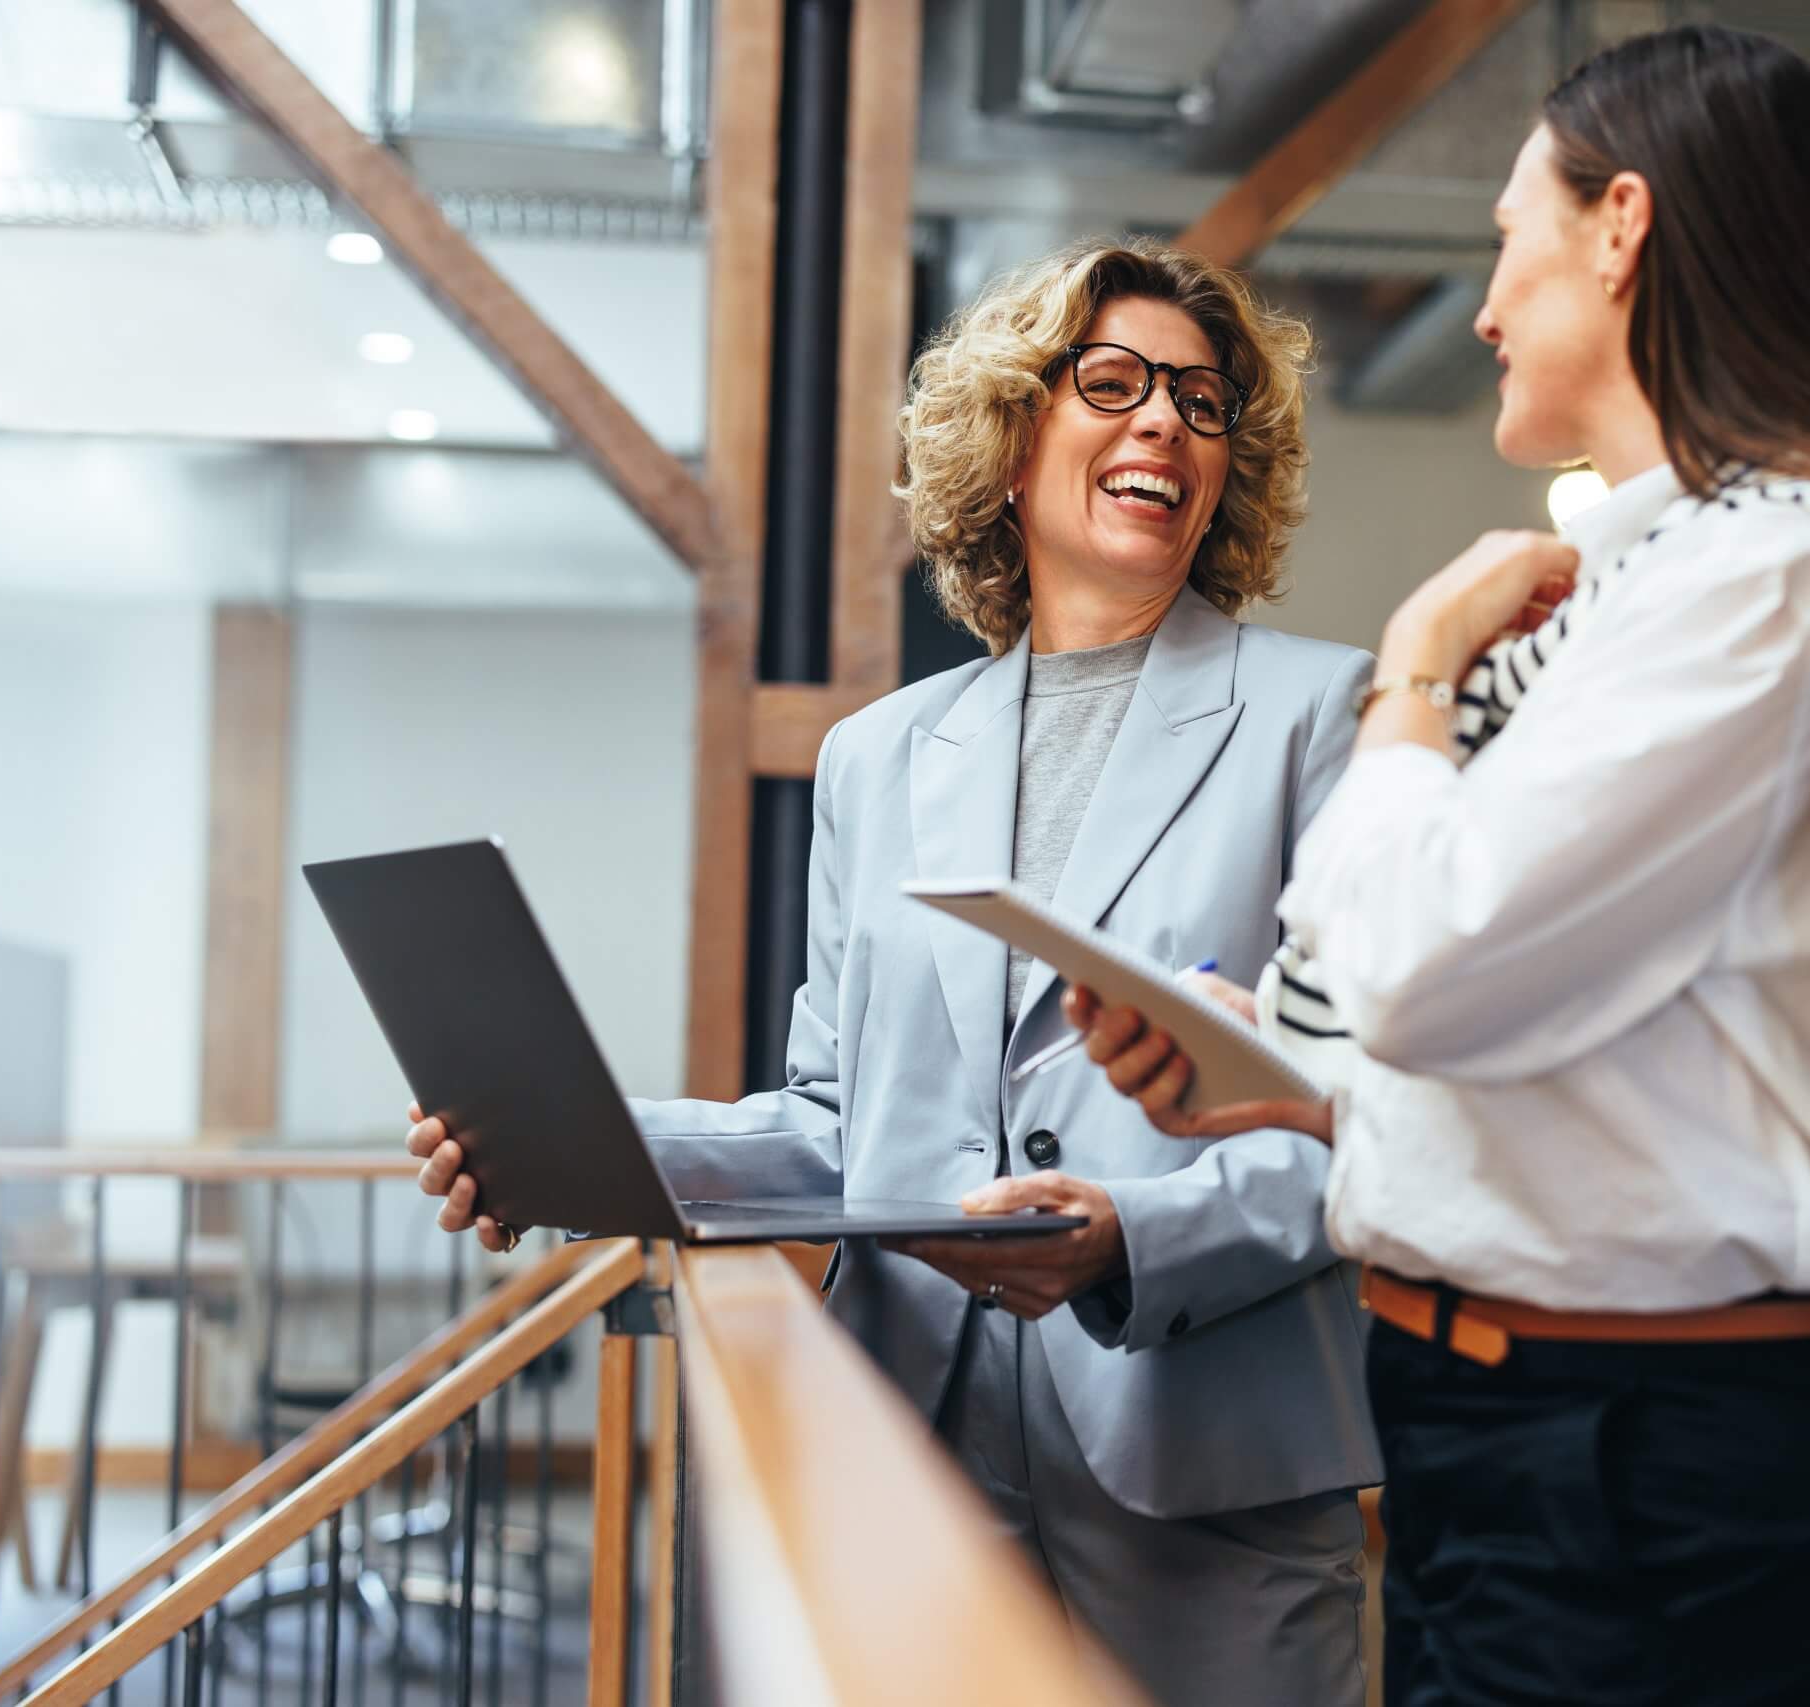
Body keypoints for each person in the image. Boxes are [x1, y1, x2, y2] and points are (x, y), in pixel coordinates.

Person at [1070, 25, 1810, 1707]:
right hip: (1527, 1432)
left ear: (1623, 227)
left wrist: (1415, 668)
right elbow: (1594, 1049)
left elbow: (1426, 965)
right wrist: (1288, 1078)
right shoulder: (1682, 576)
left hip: (1643, 1460)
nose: (1491, 303)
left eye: (1512, 239)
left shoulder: (1785, 569)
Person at [405, 240, 1377, 1707]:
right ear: (1011, 437)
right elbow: (831, 1119)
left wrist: (1131, 1235)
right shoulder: (879, 755)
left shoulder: (1327, 714)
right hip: (919, 1441)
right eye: (1110, 382)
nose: (1165, 422)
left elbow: (1361, 1120)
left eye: (1201, 400)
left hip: (1207, 1472)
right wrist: (576, 1148)